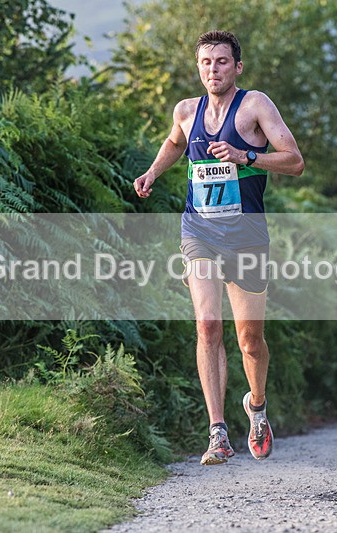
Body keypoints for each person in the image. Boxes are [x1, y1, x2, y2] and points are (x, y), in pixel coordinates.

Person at [133, 30, 304, 465]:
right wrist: (153, 172)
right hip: (199, 232)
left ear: (237, 67)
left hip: (246, 236)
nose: (214, 69)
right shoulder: (186, 111)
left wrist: (245, 157)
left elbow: (295, 161)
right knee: (208, 325)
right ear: (198, 67)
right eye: (206, 62)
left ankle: (257, 406)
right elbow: (174, 143)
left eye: (222, 62)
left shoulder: (255, 106)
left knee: (250, 341)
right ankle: (217, 433)